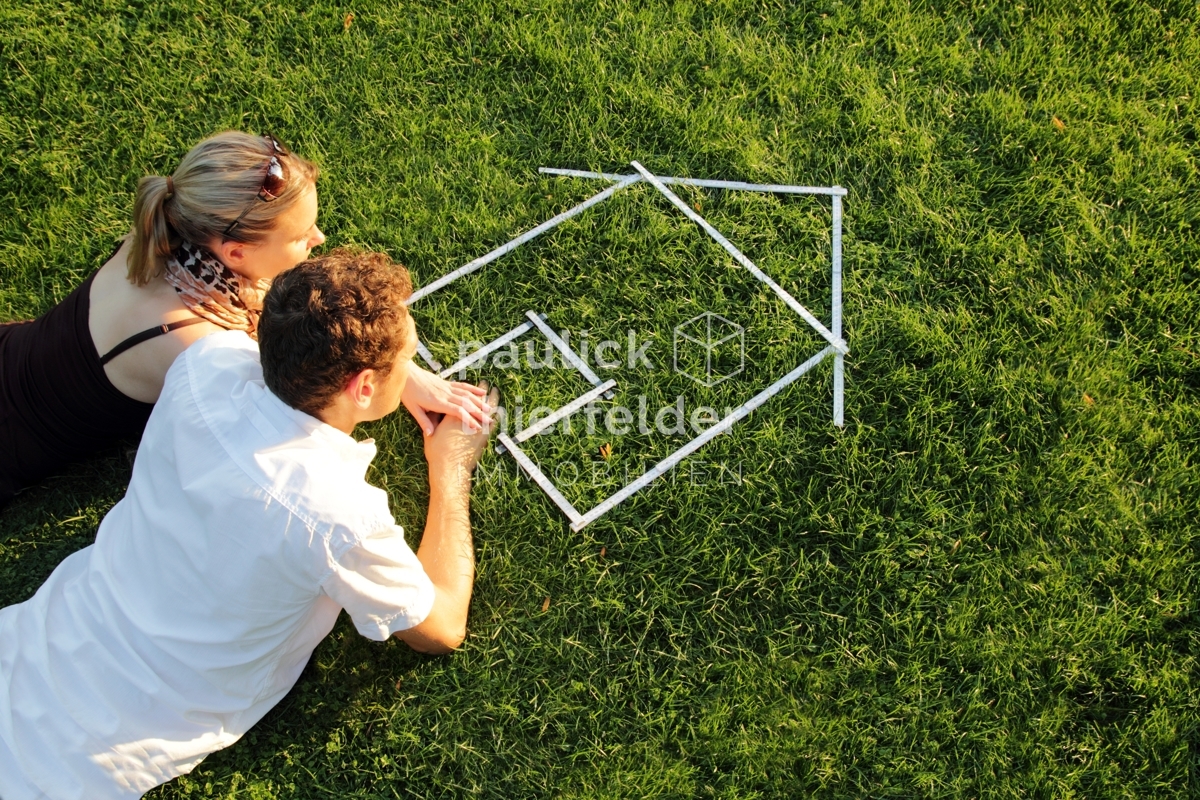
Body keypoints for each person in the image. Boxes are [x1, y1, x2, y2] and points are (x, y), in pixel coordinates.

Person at [0, 248, 496, 799]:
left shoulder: (205, 364)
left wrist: (392, 375)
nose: (413, 366)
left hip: (41, 641)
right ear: (360, 387)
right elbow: (440, 627)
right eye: (407, 357)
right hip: (87, 753)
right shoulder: (337, 516)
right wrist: (451, 466)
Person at [0, 131, 487, 506]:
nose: (319, 239)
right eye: (301, 235)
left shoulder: (170, 232)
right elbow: (304, 398)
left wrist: (403, 368)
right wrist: (394, 372)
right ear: (235, 252)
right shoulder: (204, 346)